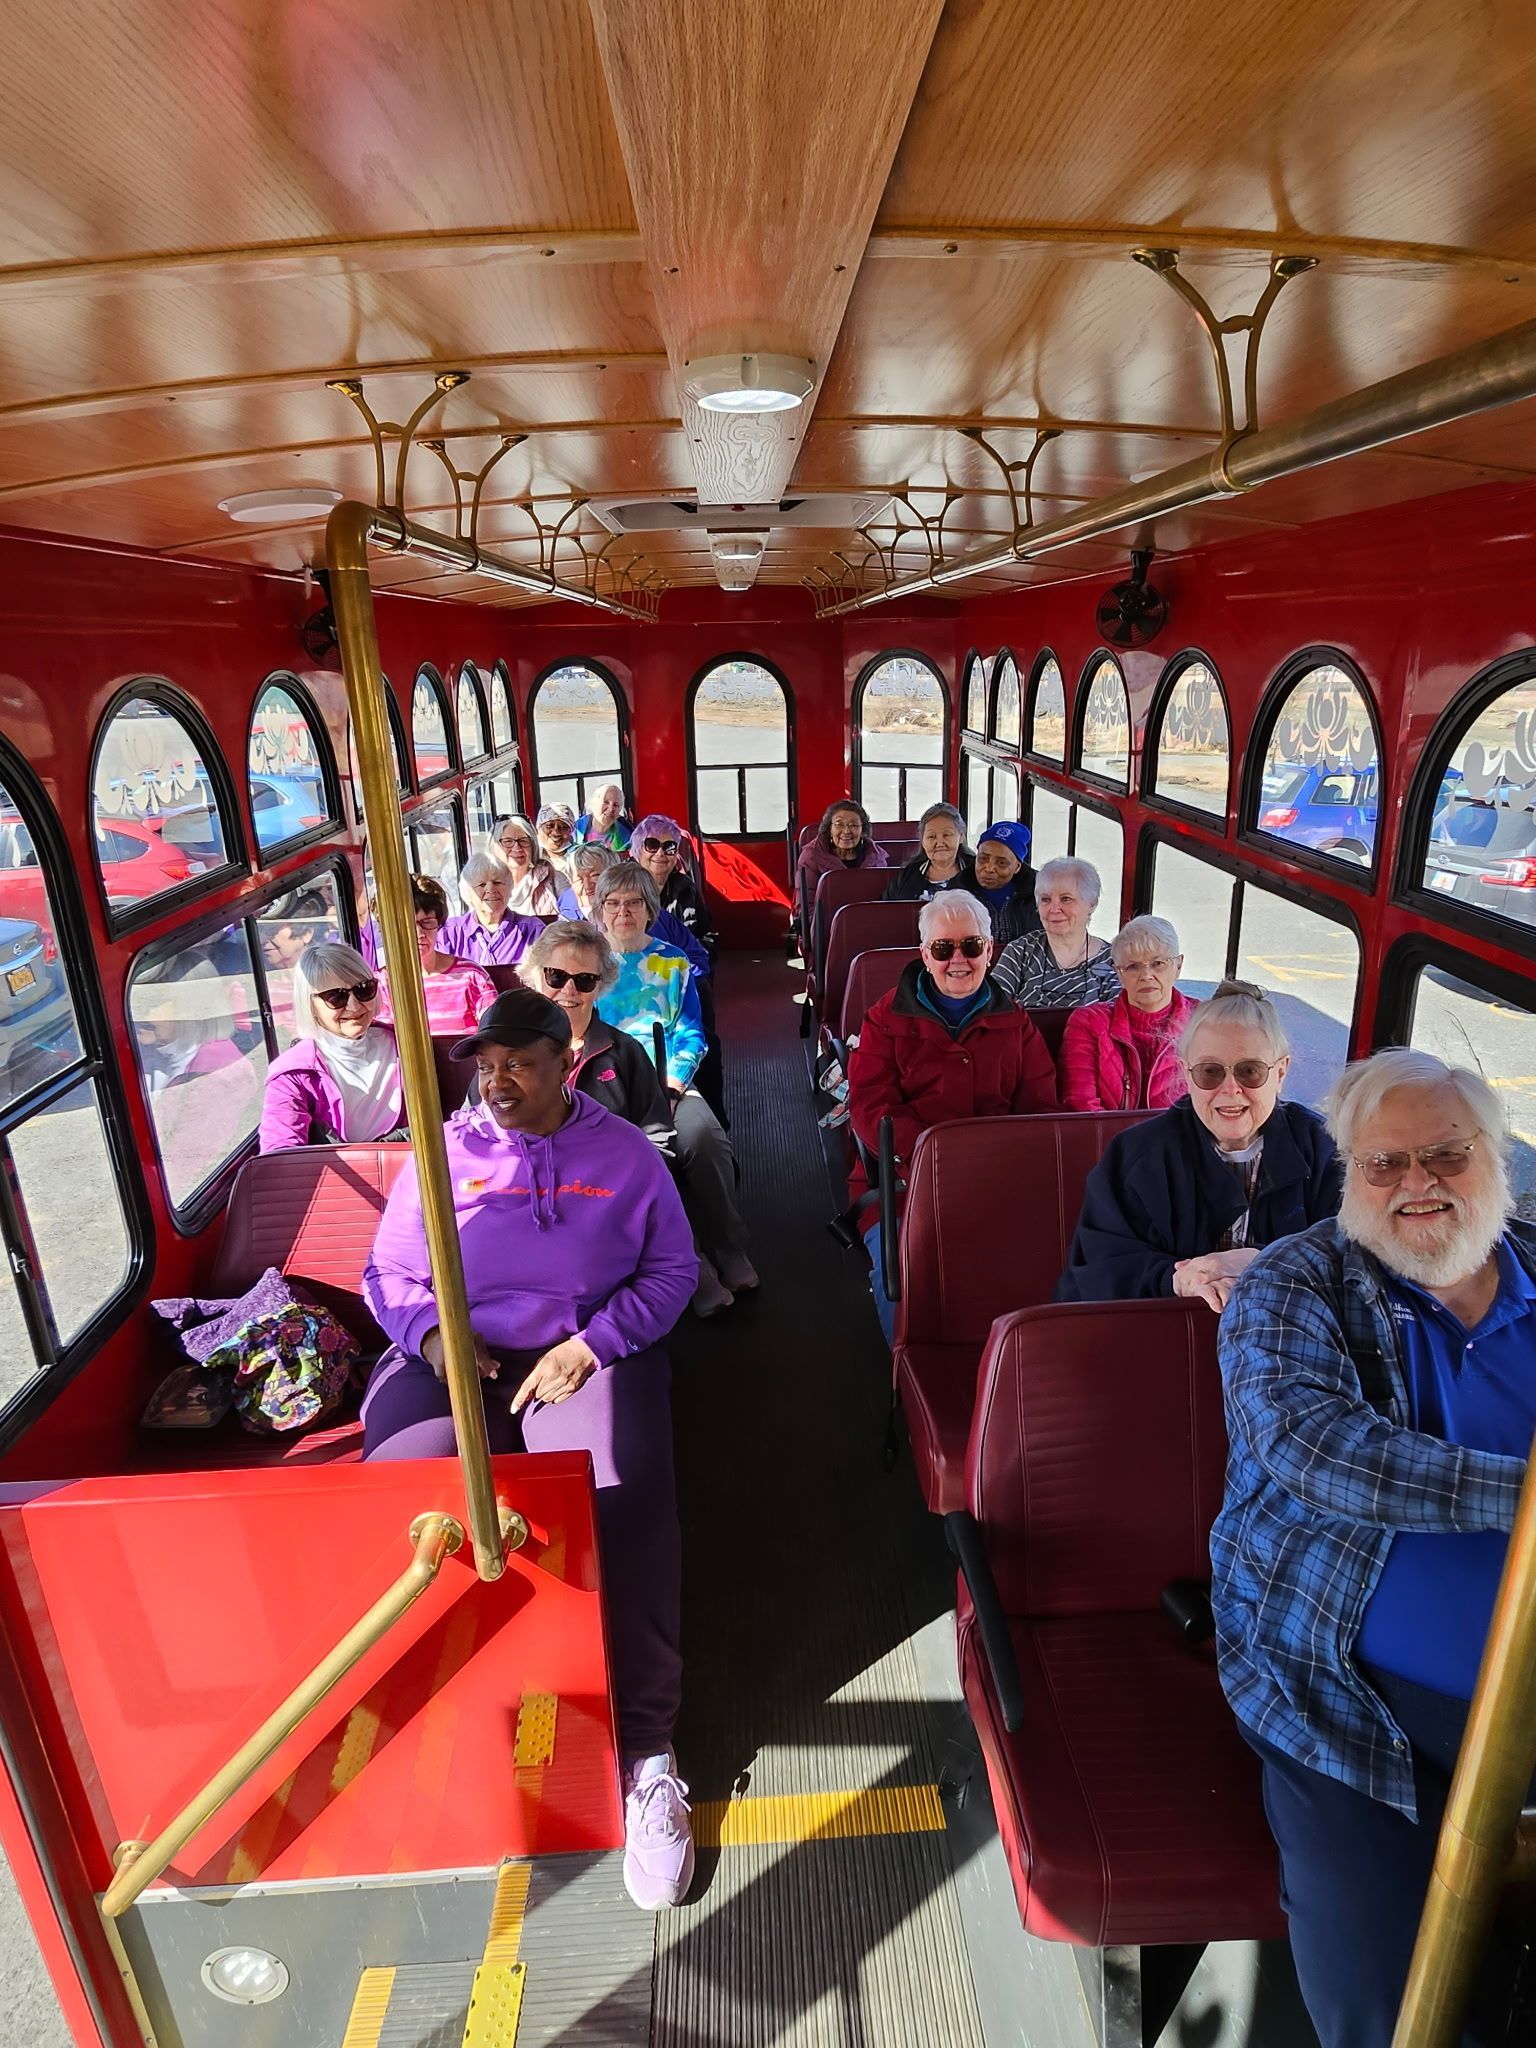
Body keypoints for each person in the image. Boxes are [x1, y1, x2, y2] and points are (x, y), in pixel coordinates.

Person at [1211, 1048, 1536, 2048]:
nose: (1415, 1184)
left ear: (1497, 1159)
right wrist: (1526, 1500)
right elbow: (1316, 1449)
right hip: (1348, 1699)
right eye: (1382, 1164)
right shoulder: (1296, 1288)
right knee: (1393, 2012)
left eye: (1444, 1154)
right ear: (1348, 1173)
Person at [361, 987, 698, 1911]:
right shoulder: (441, 1155)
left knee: (624, 1498)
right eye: (485, 1064)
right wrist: (435, 1337)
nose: (497, 1080)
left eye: (518, 1062)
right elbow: (386, 1273)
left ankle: (648, 1753)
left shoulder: (625, 1156)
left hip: (578, 1353)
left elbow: (673, 1271)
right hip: (453, 1353)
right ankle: (427, 1722)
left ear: (564, 1064)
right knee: (395, 1498)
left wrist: (593, 1344)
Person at [848, 893, 1057, 1342]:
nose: (957, 960)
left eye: (972, 946)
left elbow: (1039, 1109)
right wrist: (936, 1159)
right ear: (925, 955)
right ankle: (907, 1380)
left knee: (1037, 1272)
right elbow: (870, 1107)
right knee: (908, 1279)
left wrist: (996, 1166)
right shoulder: (885, 1021)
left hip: (1001, 1181)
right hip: (904, 1182)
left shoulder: (1016, 1023)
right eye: (943, 949)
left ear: (990, 949)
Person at [1056, 979, 1341, 1303]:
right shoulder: (1137, 1156)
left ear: (1280, 1073)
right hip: (1162, 1333)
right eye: (1210, 1072)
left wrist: (1265, 1261)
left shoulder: (1323, 1151)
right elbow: (1100, 1265)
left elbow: (1356, 1251)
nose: (1230, 1089)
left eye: (1250, 1071)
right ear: (1187, 1074)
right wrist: (1177, 1279)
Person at [593, 861, 756, 1316]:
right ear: (599, 910)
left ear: (650, 909)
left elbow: (691, 1035)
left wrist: (670, 1087)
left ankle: (728, 1246)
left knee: (705, 1139)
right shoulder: (586, 966)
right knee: (647, 1157)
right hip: (604, 1089)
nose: (623, 911)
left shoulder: (672, 962)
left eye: (634, 902)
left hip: (665, 1079)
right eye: (613, 902)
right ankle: (693, 1264)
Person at [517, 920, 674, 1159]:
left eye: (585, 980)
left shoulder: (626, 1054)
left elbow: (657, 1139)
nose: (569, 990)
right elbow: (475, 1130)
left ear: (600, 986)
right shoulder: (506, 1051)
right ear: (534, 977)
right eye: (556, 976)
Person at [259, 942, 406, 1151]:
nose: (354, 1006)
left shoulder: (404, 1046)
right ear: (310, 1005)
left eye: (364, 989)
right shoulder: (293, 1075)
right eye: (336, 997)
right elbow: (280, 1155)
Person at [630, 812, 726, 1127]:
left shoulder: (684, 888)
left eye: (669, 847)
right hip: (631, 987)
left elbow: (703, 943)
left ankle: (714, 1115)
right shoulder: (622, 891)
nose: (660, 853)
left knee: (706, 1038)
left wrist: (685, 979)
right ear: (636, 849)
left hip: (679, 981)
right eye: (652, 845)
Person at [1058, 913, 1199, 1111]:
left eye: (1158, 963)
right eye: (1133, 967)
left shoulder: (1203, 1021)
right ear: (1119, 973)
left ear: (1178, 966)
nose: (1146, 975)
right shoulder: (1088, 1022)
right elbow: (1082, 1105)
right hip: (1111, 1140)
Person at [560, 842, 709, 979]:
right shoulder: (566, 925)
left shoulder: (654, 916)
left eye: (595, 876)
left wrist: (675, 983)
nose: (587, 884)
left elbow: (697, 958)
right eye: (579, 878)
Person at [991, 856, 1120, 1009]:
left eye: (1066, 899)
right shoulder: (1020, 951)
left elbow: (1118, 1021)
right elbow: (993, 1008)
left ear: (1091, 904)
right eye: (1045, 900)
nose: (1054, 909)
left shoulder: (1113, 961)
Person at [375, 875, 497, 1036]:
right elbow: (384, 1041)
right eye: (407, 925)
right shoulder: (382, 984)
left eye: (427, 922)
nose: (419, 933)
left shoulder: (472, 976)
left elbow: (494, 1034)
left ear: (439, 923)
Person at [438, 854, 544, 968]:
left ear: (510, 888)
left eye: (497, 882)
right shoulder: (448, 934)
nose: (490, 889)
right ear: (467, 892)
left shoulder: (533, 930)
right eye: (481, 884)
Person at [968, 819, 1041, 946]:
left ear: (1017, 867)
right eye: (983, 859)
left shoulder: (1040, 895)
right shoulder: (957, 891)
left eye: (1001, 863)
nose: (989, 868)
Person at [882, 802, 974, 902]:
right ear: (922, 842)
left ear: (961, 837)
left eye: (947, 835)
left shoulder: (976, 872)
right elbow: (888, 910)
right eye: (931, 837)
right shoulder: (907, 875)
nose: (939, 843)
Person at [796, 800, 889, 893]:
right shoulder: (811, 856)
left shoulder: (876, 857)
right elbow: (806, 904)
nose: (846, 831)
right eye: (839, 824)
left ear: (862, 830)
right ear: (829, 829)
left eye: (853, 825)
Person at [485, 813, 563, 915]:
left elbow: (572, 918)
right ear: (494, 847)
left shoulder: (554, 878)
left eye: (523, 840)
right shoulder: (482, 884)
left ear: (533, 846)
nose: (517, 848)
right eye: (508, 841)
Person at [576, 783, 632, 852]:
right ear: (593, 804)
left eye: (616, 805)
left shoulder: (627, 837)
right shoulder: (576, 830)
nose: (611, 809)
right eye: (606, 802)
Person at [536, 802, 579, 884]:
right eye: (549, 826)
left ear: (571, 831)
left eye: (563, 827)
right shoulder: (531, 857)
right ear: (539, 828)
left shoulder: (581, 856)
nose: (556, 832)